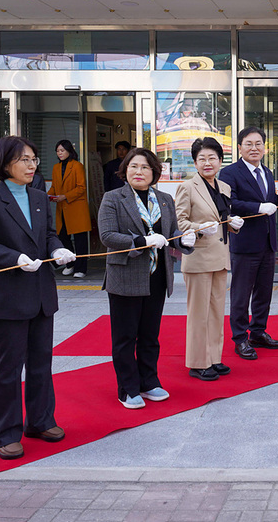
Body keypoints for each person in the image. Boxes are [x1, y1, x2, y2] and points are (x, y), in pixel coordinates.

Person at [0, 136, 75, 461]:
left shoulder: (40, 197)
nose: (31, 166)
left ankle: (40, 420)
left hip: (41, 293)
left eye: (33, 159)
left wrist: (57, 248)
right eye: (24, 160)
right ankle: (5, 433)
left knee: (41, 363)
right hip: (8, 296)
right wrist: (14, 258)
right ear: (4, 163)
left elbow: (47, 234)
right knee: (8, 368)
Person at [99, 147, 195, 408]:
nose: (138, 171)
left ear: (154, 172)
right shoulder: (113, 198)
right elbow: (107, 235)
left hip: (157, 276)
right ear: (125, 170)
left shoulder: (165, 198)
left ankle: (149, 381)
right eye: (133, 166)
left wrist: (185, 239)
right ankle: (127, 388)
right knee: (125, 336)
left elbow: (172, 231)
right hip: (125, 276)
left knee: (150, 335)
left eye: (144, 167)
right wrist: (141, 241)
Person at [219, 127, 278, 360]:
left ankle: (258, 331)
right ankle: (240, 338)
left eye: (258, 144)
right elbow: (230, 203)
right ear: (239, 147)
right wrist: (257, 208)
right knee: (241, 293)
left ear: (264, 148)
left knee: (264, 292)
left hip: (268, 242)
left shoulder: (265, 172)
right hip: (245, 243)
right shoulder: (230, 173)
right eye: (249, 144)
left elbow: (271, 202)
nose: (254, 148)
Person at [175, 137, 245, 381]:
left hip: (220, 258)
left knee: (216, 311)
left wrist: (234, 225)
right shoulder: (187, 187)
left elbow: (223, 220)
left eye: (212, 158)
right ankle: (197, 362)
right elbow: (179, 221)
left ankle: (214, 358)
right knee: (198, 313)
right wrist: (198, 227)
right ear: (195, 162)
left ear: (220, 161)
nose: (207, 163)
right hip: (199, 260)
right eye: (202, 159)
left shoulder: (223, 187)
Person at [49, 139, 91, 278]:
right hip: (62, 208)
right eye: (57, 151)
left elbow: (81, 188)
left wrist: (65, 196)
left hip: (76, 207)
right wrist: (49, 196)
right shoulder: (56, 167)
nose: (59, 153)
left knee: (80, 239)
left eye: (62, 150)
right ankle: (70, 264)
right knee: (62, 237)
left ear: (69, 151)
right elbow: (55, 187)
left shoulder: (77, 166)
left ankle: (81, 268)